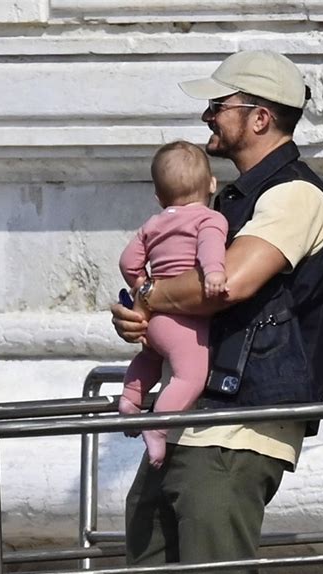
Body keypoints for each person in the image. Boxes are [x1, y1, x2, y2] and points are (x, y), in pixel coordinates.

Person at [111, 50, 323, 574]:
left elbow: (228, 284)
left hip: (240, 426)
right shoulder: (229, 201)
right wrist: (142, 320)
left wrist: (148, 295)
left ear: (260, 117)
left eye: (219, 105)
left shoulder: (295, 195)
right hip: (194, 416)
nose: (207, 116)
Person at [118, 141, 228, 468]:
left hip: (154, 316)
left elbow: (127, 262)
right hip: (183, 321)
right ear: (212, 184)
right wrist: (214, 273)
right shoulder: (210, 219)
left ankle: (130, 398)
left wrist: (141, 285)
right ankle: (157, 426)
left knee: (151, 355)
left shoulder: (153, 225)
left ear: (159, 197)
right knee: (191, 375)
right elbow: (210, 248)